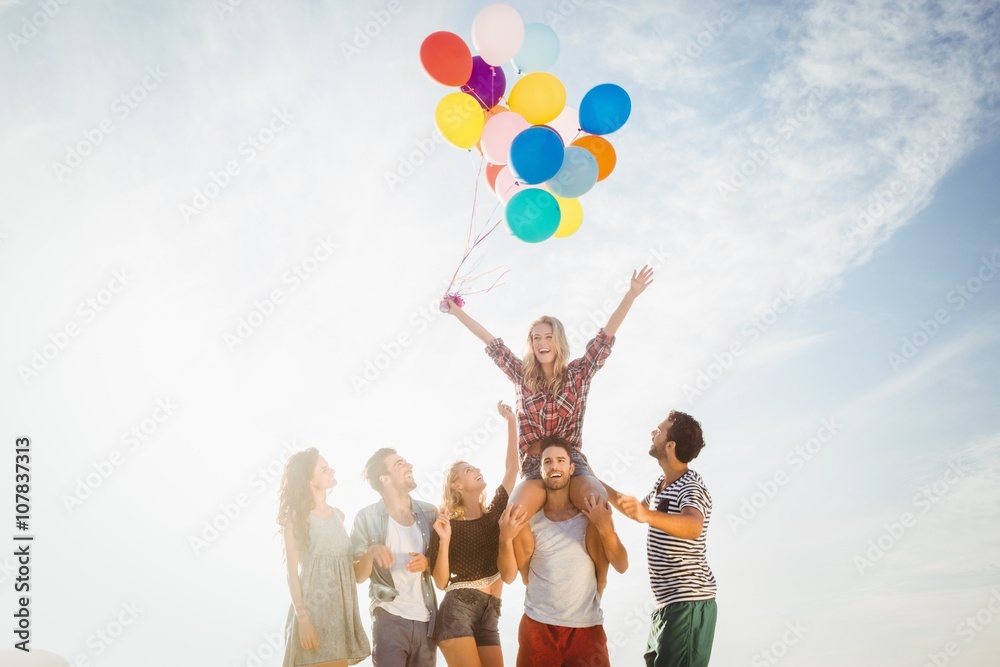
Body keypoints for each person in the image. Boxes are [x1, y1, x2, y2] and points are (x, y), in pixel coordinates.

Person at [444, 266, 654, 523]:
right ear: (531, 344)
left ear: (558, 342)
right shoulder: (521, 375)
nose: (542, 343)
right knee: (513, 517)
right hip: (534, 463)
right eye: (536, 338)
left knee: (597, 502)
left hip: (571, 462)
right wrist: (456, 312)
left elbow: (605, 337)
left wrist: (631, 294)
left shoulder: (578, 373)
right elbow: (489, 341)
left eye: (548, 337)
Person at [497, 438, 628, 667]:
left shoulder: (591, 519)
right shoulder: (529, 522)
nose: (554, 466)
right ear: (541, 470)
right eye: (547, 462)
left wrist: (606, 527)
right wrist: (505, 538)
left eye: (560, 460)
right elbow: (508, 577)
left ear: (572, 467)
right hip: (538, 627)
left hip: (586, 628)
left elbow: (622, 565)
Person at [604, 411, 717, 667]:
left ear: (670, 445)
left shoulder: (691, 485)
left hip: (688, 604)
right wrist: (592, 479)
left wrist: (647, 514)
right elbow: (637, 512)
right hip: (665, 606)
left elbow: (692, 526)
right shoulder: (661, 484)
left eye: (659, 430)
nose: (652, 433)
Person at [427, 401, 519, 667]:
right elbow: (442, 582)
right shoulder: (447, 526)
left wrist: (511, 421)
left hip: (490, 614)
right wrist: (443, 542)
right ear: (457, 485)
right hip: (457, 612)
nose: (477, 470)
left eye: (476, 467)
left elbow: (513, 468)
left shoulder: (495, 514)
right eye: (469, 470)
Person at [278, 448, 371, 667]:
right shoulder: (295, 518)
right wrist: (303, 620)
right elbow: (291, 574)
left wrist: (372, 553)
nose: (332, 471)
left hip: (340, 620)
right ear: (309, 480)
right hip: (312, 617)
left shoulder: (339, 515)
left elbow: (350, 570)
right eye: (324, 469)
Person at [351, 449, 439, 666]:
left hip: (426, 621)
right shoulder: (366, 517)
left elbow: (442, 570)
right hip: (388, 617)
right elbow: (357, 576)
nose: (409, 466)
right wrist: (370, 553)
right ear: (385, 479)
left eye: (406, 462)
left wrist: (428, 563)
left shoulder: (430, 513)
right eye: (400, 464)